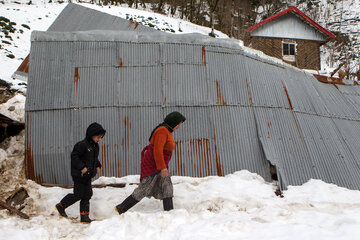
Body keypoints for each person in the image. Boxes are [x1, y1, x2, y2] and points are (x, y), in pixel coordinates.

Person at [115, 111, 186, 215]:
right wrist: (162, 167)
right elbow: (157, 150)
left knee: (167, 185)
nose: (179, 127)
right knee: (144, 188)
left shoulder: (166, 131)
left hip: (160, 164)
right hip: (153, 165)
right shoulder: (162, 131)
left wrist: (163, 166)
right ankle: (121, 208)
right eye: (178, 124)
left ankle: (169, 212)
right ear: (173, 122)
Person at [55, 122, 106, 223]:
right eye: (98, 137)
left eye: (101, 137)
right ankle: (61, 206)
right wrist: (81, 167)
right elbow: (74, 157)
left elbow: (94, 158)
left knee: (87, 194)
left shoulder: (95, 146)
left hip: (88, 175)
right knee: (78, 194)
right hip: (79, 175)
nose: (99, 139)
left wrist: (98, 165)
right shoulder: (82, 145)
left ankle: (84, 216)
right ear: (91, 135)